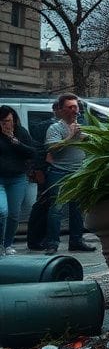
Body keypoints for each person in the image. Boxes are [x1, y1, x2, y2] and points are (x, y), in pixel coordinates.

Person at [43, 93, 94, 255]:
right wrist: (71, 137)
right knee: (56, 209)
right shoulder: (55, 128)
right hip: (59, 173)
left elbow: (93, 144)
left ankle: (76, 241)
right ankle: (52, 243)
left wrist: (87, 138)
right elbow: (52, 149)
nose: (74, 110)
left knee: (78, 209)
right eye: (70, 107)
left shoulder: (82, 126)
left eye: (76, 107)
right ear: (62, 110)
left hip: (78, 172)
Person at [0, 106, 35, 256]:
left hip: (17, 178)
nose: (6, 124)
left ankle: (7, 244)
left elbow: (32, 152)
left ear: (14, 120)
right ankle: (0, 244)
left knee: (14, 214)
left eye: (9, 121)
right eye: (3, 121)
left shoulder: (20, 132)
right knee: (2, 211)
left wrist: (14, 141)